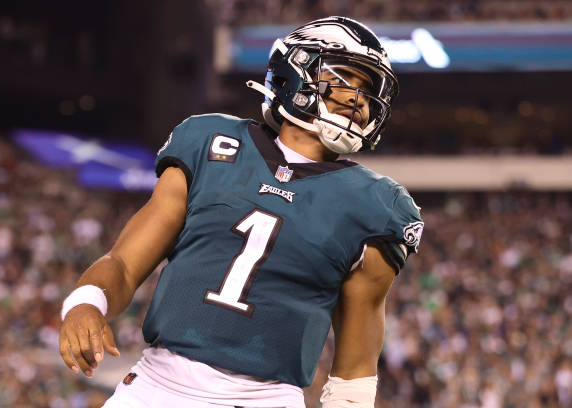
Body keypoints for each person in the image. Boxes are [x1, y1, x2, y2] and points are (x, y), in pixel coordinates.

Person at [59, 16, 423, 408]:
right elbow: (125, 263)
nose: (358, 99)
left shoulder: (377, 204)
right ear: (295, 71)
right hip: (157, 385)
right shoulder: (210, 141)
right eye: (346, 78)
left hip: (265, 399)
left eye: (367, 91)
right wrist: (86, 303)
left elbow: (354, 372)